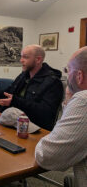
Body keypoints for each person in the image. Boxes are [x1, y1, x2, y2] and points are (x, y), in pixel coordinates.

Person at [0, 44, 64, 131]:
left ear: (38, 60)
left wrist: (15, 101)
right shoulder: (24, 75)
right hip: (16, 124)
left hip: (35, 130)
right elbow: (8, 93)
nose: (21, 60)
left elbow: (45, 113)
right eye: (21, 56)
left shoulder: (53, 82)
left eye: (25, 57)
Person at [35, 46, 87, 187]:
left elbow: (47, 156)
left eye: (67, 70)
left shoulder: (84, 99)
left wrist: (69, 100)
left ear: (79, 76)